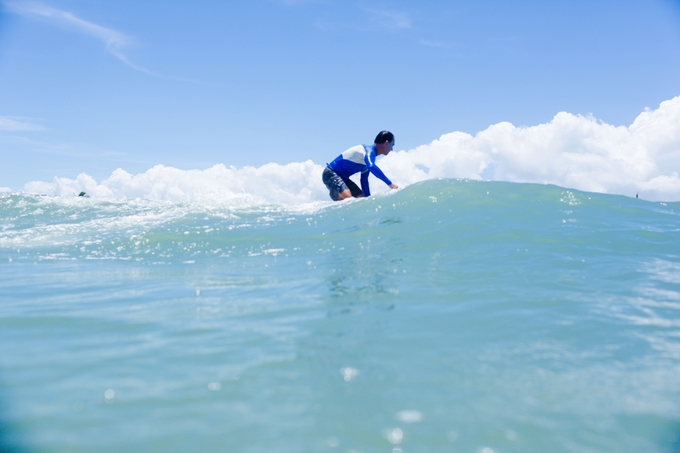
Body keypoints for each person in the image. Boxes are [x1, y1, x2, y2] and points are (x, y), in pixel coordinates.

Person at [322, 131, 399, 201]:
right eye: (392, 145)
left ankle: (339, 194)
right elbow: (371, 167)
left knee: (361, 198)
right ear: (386, 143)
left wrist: (368, 198)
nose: (392, 149)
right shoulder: (368, 151)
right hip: (330, 174)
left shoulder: (369, 159)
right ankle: (336, 193)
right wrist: (390, 184)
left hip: (343, 178)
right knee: (348, 199)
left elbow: (364, 180)